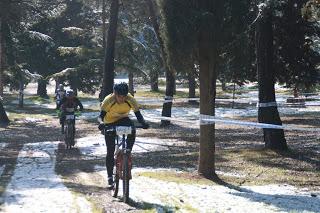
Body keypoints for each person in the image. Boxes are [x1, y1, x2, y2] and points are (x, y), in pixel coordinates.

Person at [98, 82, 149, 187]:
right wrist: (101, 124)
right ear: (114, 94)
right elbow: (100, 117)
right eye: (119, 96)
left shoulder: (130, 100)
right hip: (109, 123)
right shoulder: (108, 100)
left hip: (123, 120)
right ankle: (109, 177)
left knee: (133, 128)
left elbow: (138, 115)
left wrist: (143, 123)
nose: (122, 99)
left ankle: (128, 152)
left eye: (124, 96)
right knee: (110, 151)